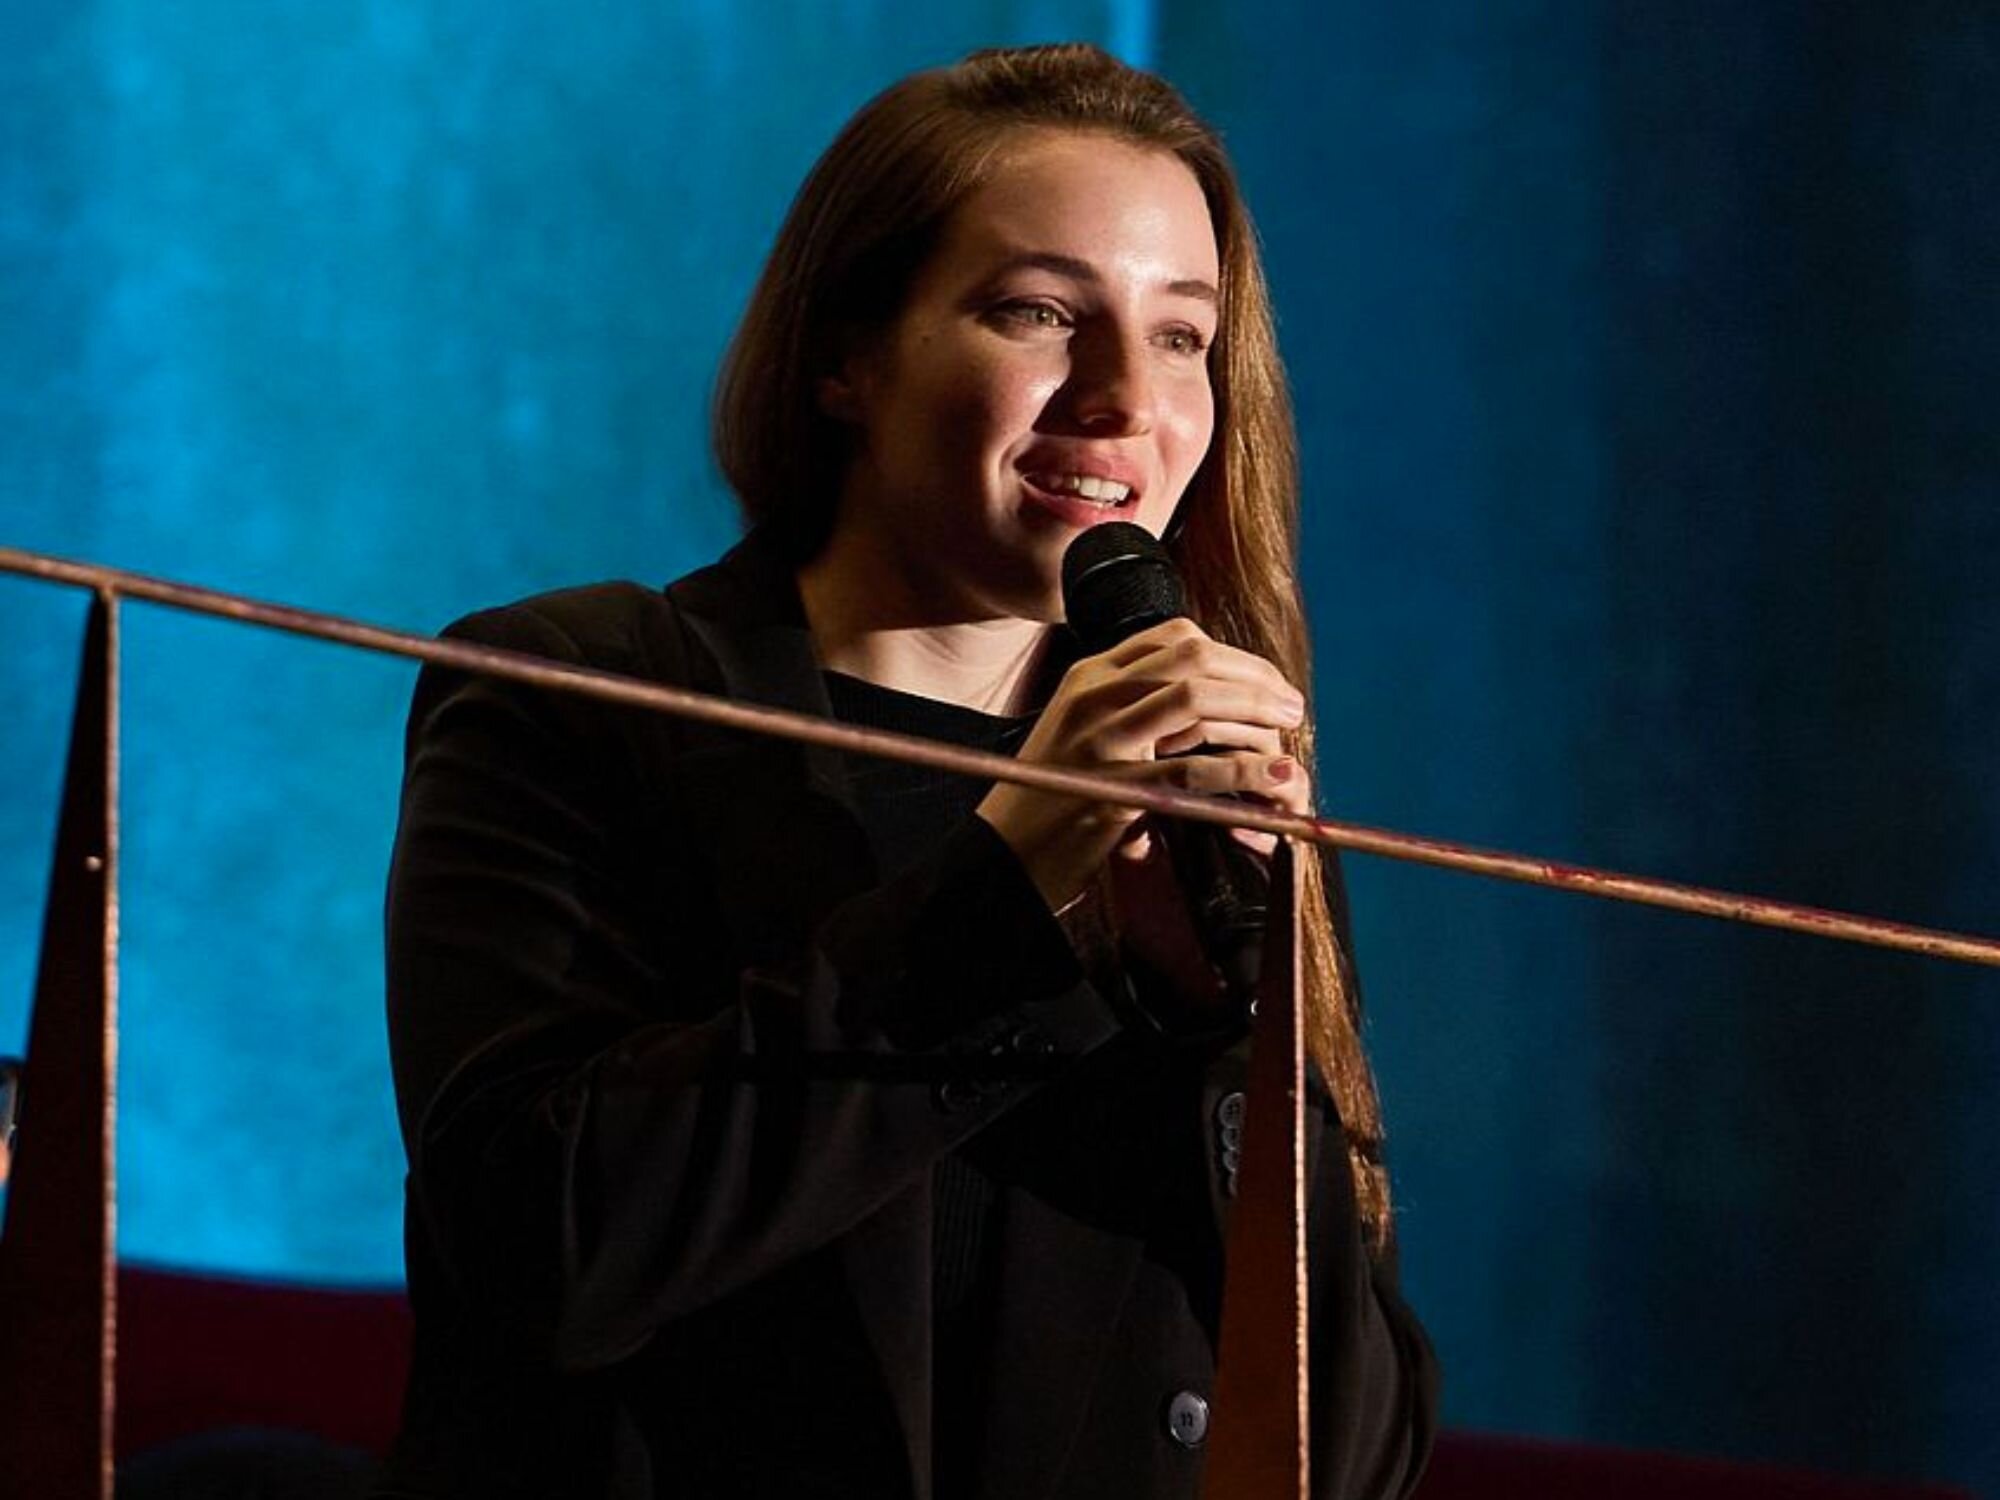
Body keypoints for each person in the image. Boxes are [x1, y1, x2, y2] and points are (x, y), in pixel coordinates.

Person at [376, 43, 1437, 1500]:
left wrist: (1221, 1032)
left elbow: (1351, 1454)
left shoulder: (1211, 789)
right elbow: (541, 1251)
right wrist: (1009, 886)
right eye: (1040, 313)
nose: (1126, 397)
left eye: (1184, 336)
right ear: (845, 357)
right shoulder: (583, 694)